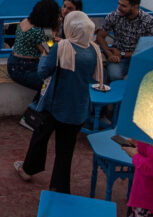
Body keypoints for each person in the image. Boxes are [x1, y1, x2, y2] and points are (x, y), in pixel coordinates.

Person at [14, 11, 103, 193]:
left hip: (55, 104)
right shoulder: (94, 49)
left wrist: (47, 54)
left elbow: (43, 72)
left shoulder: (62, 47)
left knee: (40, 137)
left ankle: (28, 169)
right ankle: (59, 187)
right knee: (65, 151)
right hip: (78, 107)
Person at [8, 0, 61, 130]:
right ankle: (31, 116)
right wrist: (55, 30)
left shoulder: (25, 22)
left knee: (48, 82)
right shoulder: (40, 31)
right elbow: (49, 51)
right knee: (49, 86)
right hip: (24, 68)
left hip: (14, 63)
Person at [96, 0, 153, 82]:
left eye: (123, 6)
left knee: (141, 81)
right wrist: (110, 54)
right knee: (115, 76)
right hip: (118, 59)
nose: (119, 8)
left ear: (135, 6)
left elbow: (150, 50)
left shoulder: (150, 22)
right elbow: (100, 36)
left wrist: (122, 53)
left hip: (140, 59)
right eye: (119, 4)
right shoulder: (114, 16)